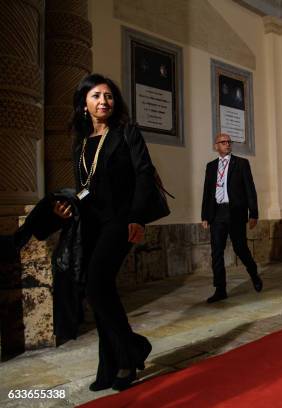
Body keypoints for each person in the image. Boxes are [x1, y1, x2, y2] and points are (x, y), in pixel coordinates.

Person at [54, 74, 153, 391]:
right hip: (92, 224)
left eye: (108, 96)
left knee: (97, 286)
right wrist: (69, 207)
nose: (103, 101)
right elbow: (85, 189)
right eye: (96, 95)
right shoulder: (81, 144)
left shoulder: (126, 133)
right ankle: (113, 362)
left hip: (120, 221)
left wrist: (137, 217)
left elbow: (144, 174)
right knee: (98, 292)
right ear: (84, 103)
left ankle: (129, 354)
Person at [201, 133, 262, 303]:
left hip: (235, 212)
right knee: (217, 252)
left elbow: (250, 189)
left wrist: (254, 213)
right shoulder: (211, 166)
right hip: (217, 214)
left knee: (240, 249)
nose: (227, 144)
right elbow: (207, 192)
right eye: (223, 142)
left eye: (229, 142)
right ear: (216, 146)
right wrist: (205, 215)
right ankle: (220, 289)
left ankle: (254, 274)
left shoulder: (241, 163)